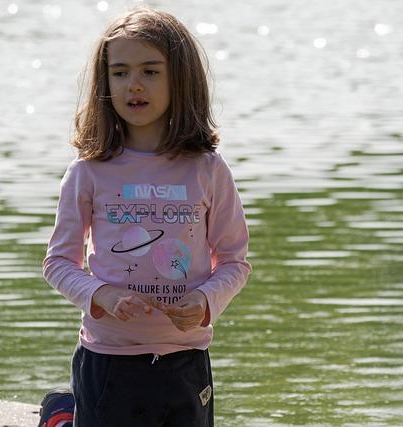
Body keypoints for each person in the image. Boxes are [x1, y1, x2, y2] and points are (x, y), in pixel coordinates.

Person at [42, 7, 251, 426]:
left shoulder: (207, 169)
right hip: (108, 359)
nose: (133, 85)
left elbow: (234, 262)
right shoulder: (88, 171)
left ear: (181, 80)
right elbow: (58, 263)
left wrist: (206, 301)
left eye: (150, 72)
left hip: (185, 358)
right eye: (119, 73)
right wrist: (101, 294)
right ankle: (63, 415)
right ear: (105, 83)